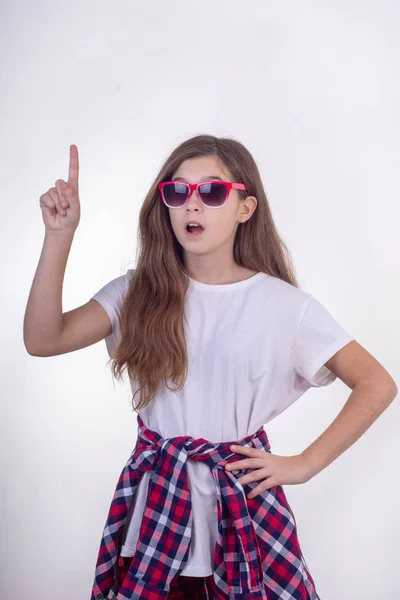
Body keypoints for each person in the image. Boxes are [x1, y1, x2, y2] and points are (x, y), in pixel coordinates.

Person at [24, 137, 397, 600]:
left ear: (246, 207)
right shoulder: (136, 291)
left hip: (242, 506)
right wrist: (59, 236)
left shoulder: (283, 306)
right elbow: (43, 340)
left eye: (212, 192)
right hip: (157, 508)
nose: (192, 205)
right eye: (177, 193)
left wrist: (304, 464)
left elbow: (377, 382)